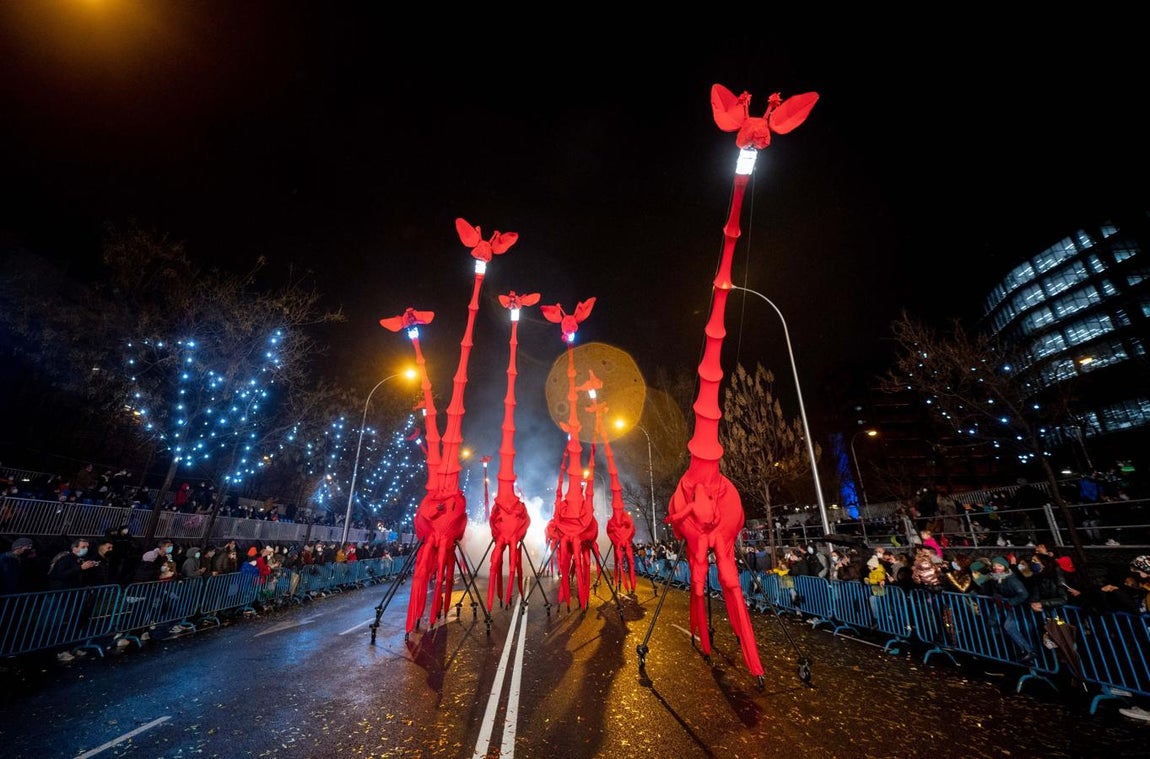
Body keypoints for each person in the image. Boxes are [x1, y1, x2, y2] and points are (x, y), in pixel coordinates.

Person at [986, 556, 1037, 665]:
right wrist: (997, 597)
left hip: (1020, 607)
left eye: (999, 565)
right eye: (994, 565)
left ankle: (1028, 651)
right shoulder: (996, 578)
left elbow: (1024, 594)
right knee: (995, 623)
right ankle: (1020, 652)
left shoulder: (1012, 580)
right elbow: (997, 591)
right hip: (1010, 607)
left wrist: (1010, 602)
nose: (996, 568)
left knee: (1010, 626)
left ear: (1005, 567)